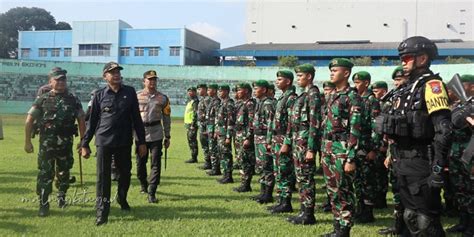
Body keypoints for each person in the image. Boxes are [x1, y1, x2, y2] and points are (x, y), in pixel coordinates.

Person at [381, 36, 452, 236]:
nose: (403, 62)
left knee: (425, 219)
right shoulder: (406, 89)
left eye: (407, 58)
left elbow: (444, 131)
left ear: (422, 59)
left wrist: (438, 169)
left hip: (422, 162)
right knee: (409, 216)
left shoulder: (432, 86)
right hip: (402, 160)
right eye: (402, 58)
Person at [80, 62, 147, 226]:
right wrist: (85, 144)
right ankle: (102, 211)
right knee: (103, 178)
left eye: (118, 72)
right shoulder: (99, 95)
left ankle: (121, 198)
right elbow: (93, 121)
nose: (116, 75)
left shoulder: (130, 92)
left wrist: (141, 142)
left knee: (125, 174)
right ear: (105, 76)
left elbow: (136, 119)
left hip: (124, 140)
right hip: (104, 141)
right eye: (112, 72)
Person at [24, 67, 86, 216]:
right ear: (50, 82)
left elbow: (81, 120)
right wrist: (27, 141)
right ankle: (44, 204)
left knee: (64, 172)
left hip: (65, 144)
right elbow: (29, 120)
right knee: (45, 173)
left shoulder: (73, 99)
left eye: (63, 79)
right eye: (57, 79)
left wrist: (83, 142)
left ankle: (62, 196)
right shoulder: (42, 99)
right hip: (47, 145)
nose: (61, 82)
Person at [321, 58, 362, 237]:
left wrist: (351, 158)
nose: (331, 73)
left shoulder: (352, 97)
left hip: (342, 149)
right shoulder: (332, 96)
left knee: (343, 190)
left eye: (335, 70)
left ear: (346, 73)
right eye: (331, 70)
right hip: (329, 147)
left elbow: (355, 128)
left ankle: (344, 230)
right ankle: (337, 227)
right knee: (332, 190)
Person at [286, 64, 322, 225]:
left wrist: (311, 149)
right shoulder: (304, 95)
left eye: (300, 76)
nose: (298, 79)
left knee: (306, 178)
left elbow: (315, 123)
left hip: (305, 141)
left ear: (309, 76)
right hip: (298, 140)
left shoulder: (313, 95)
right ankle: (303, 211)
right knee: (301, 178)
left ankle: (308, 214)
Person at [377, 66, 410, 236]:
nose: (398, 83)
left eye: (401, 79)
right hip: (395, 152)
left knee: (409, 191)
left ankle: (408, 226)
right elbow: (389, 131)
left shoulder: (412, 99)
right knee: (397, 189)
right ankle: (398, 224)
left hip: (410, 154)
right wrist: (389, 153)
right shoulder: (393, 101)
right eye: (396, 80)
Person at [135, 70, 171, 203]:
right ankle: (143, 183)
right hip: (140, 134)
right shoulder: (136, 96)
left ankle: (152, 191)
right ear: (144, 81)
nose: (152, 82)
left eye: (154, 79)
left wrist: (167, 136)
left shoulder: (163, 98)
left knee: (156, 163)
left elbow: (166, 118)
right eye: (149, 79)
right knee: (140, 164)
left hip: (156, 133)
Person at [445, 74, 473, 236]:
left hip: (470, 154)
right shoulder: (459, 105)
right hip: (456, 153)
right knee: (460, 189)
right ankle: (463, 221)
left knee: (471, 190)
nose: (459, 88)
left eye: (464, 85)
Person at [351, 71, 381, 223]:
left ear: (366, 83)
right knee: (358, 179)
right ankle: (360, 208)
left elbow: (376, 127)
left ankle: (368, 212)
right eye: (354, 82)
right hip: (358, 146)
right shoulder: (358, 99)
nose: (355, 85)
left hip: (367, 146)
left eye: (358, 82)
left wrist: (374, 149)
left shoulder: (371, 100)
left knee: (368, 180)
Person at [267, 70, 297, 214]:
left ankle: (286, 203)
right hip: (276, 139)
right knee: (278, 171)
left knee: (284, 171)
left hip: (283, 140)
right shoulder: (283, 97)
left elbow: (292, 123)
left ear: (288, 81)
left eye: (280, 79)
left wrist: (287, 142)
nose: (276, 82)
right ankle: (281, 201)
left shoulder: (291, 98)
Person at [251, 80, 275, 203]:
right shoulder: (259, 103)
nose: (254, 91)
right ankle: (262, 192)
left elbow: (271, 124)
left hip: (265, 138)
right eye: (254, 88)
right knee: (261, 165)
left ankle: (268, 194)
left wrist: (269, 141)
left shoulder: (268, 104)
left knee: (267, 166)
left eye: (257, 88)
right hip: (258, 138)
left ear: (264, 90)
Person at [233, 83, 256, 192]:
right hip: (239, 135)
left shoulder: (250, 104)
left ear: (246, 91)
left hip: (245, 136)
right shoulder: (242, 104)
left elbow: (252, 123)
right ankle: (243, 183)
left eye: (239, 90)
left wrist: (248, 137)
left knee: (245, 161)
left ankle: (246, 184)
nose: (237, 92)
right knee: (240, 160)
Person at [319, 81, 336, 213]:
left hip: (337, 145)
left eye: (329, 90)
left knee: (336, 179)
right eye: (325, 90)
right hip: (326, 144)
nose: (326, 92)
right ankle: (329, 201)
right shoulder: (325, 106)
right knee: (329, 177)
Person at [214, 85, 235, 183]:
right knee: (221, 154)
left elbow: (230, 121)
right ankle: (225, 174)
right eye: (218, 91)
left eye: (221, 91)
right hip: (220, 134)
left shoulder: (229, 104)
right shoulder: (222, 103)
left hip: (225, 135)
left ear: (226, 92)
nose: (219, 93)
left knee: (226, 155)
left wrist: (228, 137)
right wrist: (216, 131)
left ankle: (228, 176)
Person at [205, 84, 221, 175]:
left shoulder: (217, 102)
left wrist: (215, 130)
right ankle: (214, 167)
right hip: (210, 128)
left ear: (214, 91)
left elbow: (217, 118)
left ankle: (216, 169)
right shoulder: (212, 101)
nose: (208, 91)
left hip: (214, 129)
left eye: (209, 90)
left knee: (214, 149)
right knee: (211, 148)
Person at [197, 84, 212, 169]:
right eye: (198, 89)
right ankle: (208, 162)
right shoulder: (203, 99)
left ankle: (209, 163)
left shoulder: (207, 100)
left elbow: (209, 114)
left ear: (205, 90)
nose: (199, 91)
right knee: (204, 145)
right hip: (202, 126)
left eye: (200, 89)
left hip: (206, 127)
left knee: (207, 145)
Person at [184, 87, 199, 164]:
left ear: (195, 92)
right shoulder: (190, 101)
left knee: (192, 141)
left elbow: (195, 114)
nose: (190, 93)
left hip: (192, 125)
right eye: (189, 91)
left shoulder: (195, 102)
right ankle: (193, 156)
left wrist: (193, 124)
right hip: (188, 124)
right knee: (190, 140)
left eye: (192, 91)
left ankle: (194, 157)